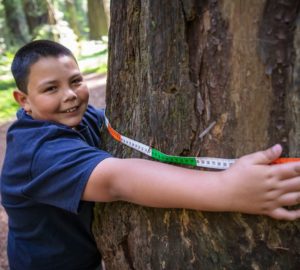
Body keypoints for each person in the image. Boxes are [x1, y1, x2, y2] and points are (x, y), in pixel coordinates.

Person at [1, 40, 300, 270]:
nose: (70, 95)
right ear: (24, 100)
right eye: (51, 88)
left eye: (75, 81)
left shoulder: (80, 118)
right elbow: (117, 180)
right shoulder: (36, 152)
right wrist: (227, 190)